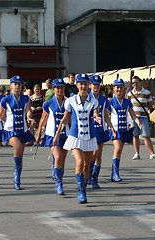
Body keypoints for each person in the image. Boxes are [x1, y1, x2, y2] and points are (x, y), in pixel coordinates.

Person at [53, 73, 101, 204]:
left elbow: (96, 112)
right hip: (75, 136)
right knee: (79, 162)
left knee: (86, 165)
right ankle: (80, 191)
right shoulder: (70, 101)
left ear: (89, 85)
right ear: (77, 85)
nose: (83, 86)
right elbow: (64, 119)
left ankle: (84, 189)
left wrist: (97, 117)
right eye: (81, 84)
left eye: (86, 84)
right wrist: (57, 135)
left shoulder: (94, 102)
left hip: (89, 137)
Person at [0, 76, 35, 190]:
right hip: (10, 129)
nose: (17, 86)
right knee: (18, 147)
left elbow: (28, 111)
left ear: (22, 87)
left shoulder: (26, 99)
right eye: (15, 84)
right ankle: (15, 176)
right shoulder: (5, 100)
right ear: (11, 85)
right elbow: (1, 114)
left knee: (20, 154)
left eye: (19, 84)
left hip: (23, 130)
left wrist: (29, 118)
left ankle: (17, 178)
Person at [36, 78, 69, 195]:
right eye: (58, 88)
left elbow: (70, 120)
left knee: (62, 160)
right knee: (58, 157)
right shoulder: (48, 103)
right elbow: (43, 119)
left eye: (62, 87)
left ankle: (58, 174)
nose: (60, 90)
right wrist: (39, 133)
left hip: (65, 135)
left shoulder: (68, 103)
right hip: (51, 134)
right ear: (54, 89)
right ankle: (59, 184)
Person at [109, 79, 142, 182]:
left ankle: (114, 172)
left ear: (124, 89)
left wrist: (137, 121)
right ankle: (115, 173)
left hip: (125, 129)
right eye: (117, 87)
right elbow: (105, 114)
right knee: (117, 148)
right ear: (114, 88)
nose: (119, 89)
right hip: (115, 129)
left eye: (121, 87)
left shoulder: (127, 101)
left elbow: (132, 113)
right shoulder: (110, 102)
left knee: (119, 152)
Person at [87, 75, 115, 189]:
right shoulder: (86, 98)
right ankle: (87, 173)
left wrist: (111, 127)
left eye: (98, 85)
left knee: (98, 154)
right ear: (90, 85)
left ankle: (94, 178)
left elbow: (106, 115)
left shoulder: (103, 99)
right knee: (90, 154)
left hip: (101, 130)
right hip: (88, 130)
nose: (96, 87)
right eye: (94, 84)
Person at [127, 76, 155, 160]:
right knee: (135, 136)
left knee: (146, 136)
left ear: (140, 82)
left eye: (136, 82)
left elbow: (150, 105)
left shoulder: (146, 93)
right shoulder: (130, 94)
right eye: (133, 83)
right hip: (133, 117)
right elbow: (127, 105)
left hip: (143, 117)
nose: (135, 84)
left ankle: (152, 153)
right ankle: (137, 153)